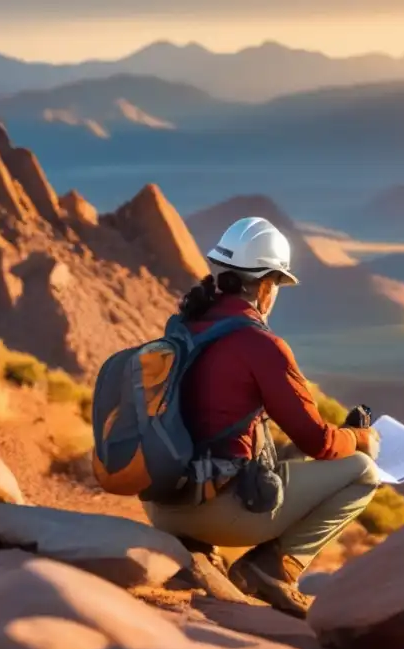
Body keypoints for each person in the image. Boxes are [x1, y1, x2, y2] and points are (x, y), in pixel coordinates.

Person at [142, 216, 381, 618]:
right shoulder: (260, 344)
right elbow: (318, 442)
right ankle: (271, 570)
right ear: (267, 285)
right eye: (278, 286)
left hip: (162, 505)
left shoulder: (183, 326)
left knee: (277, 454)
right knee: (362, 473)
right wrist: (360, 440)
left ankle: (197, 549)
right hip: (216, 512)